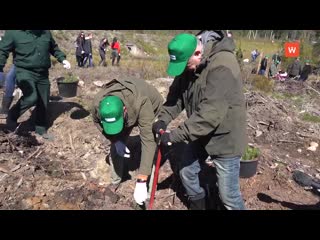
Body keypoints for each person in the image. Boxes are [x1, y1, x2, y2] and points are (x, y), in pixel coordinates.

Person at [152, 32, 247, 210]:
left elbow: (209, 114)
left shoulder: (222, 65)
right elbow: (176, 99)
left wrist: (174, 136)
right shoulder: (188, 64)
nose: (184, 70)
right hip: (200, 133)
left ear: (197, 53)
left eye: (186, 65)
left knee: (229, 197)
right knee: (187, 172)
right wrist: (162, 120)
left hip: (226, 137)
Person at [91, 78, 163, 206]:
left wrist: (141, 180)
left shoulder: (140, 102)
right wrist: (116, 141)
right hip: (126, 114)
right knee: (115, 146)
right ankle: (116, 180)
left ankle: (149, 190)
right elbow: (99, 124)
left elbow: (148, 140)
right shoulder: (98, 105)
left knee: (152, 149)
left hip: (150, 105)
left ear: (124, 110)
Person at [0, 30, 71, 139]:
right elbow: (2, 50)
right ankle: (12, 116)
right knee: (31, 97)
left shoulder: (45, 33)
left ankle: (40, 129)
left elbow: (54, 48)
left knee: (43, 100)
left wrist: (62, 59)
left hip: (42, 73)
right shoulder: (13, 33)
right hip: (24, 71)